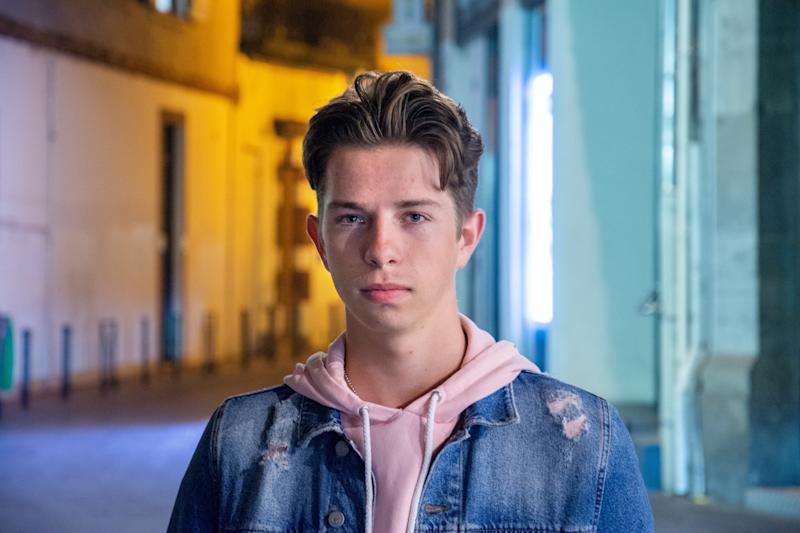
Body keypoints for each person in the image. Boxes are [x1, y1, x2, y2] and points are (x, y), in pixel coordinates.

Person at [168, 71, 654, 533]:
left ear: (466, 236)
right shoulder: (237, 445)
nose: (381, 250)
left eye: (415, 216)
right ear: (319, 242)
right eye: (352, 219)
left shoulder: (582, 444)